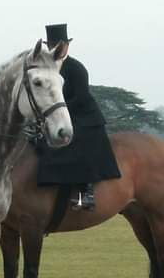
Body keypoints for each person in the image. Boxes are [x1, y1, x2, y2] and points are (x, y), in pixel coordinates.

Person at [34, 24, 120, 210]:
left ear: (66, 45)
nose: (56, 47)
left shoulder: (77, 68)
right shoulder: (46, 68)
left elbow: (80, 97)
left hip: (84, 116)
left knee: (78, 145)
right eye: (52, 44)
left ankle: (86, 193)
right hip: (56, 116)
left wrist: (57, 111)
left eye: (60, 44)